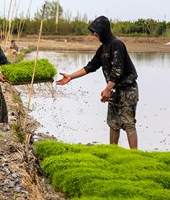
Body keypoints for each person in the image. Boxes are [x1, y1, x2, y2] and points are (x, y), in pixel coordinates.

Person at [56, 15, 139, 149]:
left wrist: (107, 89)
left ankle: (135, 156)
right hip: (113, 89)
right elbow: (91, 66)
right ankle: (113, 152)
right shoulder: (103, 48)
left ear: (104, 30)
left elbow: (118, 70)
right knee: (113, 122)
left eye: (96, 31)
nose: (94, 34)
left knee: (128, 123)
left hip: (127, 89)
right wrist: (70, 77)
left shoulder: (117, 45)